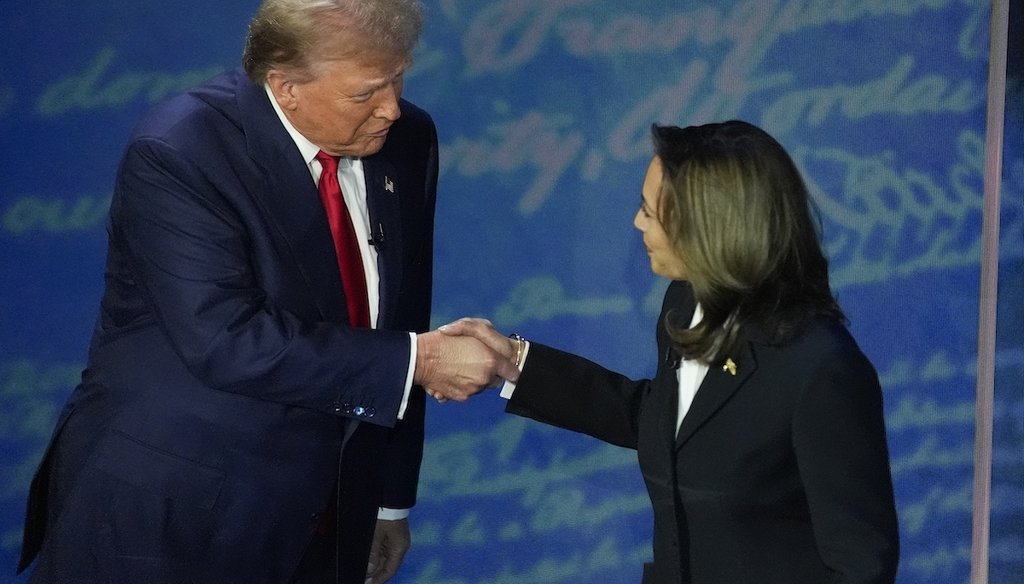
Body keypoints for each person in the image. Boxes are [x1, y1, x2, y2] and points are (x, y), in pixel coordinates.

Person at [17, 1, 516, 582]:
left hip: (328, 514)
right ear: (285, 86)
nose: (391, 107)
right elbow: (226, 338)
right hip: (177, 513)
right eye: (366, 93)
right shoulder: (182, 151)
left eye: (399, 78)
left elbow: (401, 312)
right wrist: (425, 359)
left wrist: (387, 499)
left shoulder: (407, 140)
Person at [441, 121, 900, 584]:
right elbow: (667, 423)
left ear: (710, 229)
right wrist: (516, 364)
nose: (637, 223)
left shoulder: (820, 368)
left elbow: (862, 566)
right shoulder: (683, 303)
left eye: (650, 212)